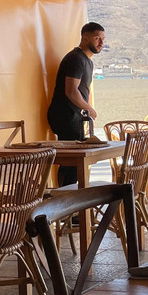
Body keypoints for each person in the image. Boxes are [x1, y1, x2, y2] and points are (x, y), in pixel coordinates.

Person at [47, 22, 105, 185]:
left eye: (103, 39)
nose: (101, 43)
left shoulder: (88, 61)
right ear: (85, 38)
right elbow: (71, 91)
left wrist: (87, 112)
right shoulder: (75, 58)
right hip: (65, 115)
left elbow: (83, 91)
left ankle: (73, 196)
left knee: (76, 163)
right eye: (97, 38)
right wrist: (90, 109)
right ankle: (66, 196)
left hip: (76, 116)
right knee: (71, 163)